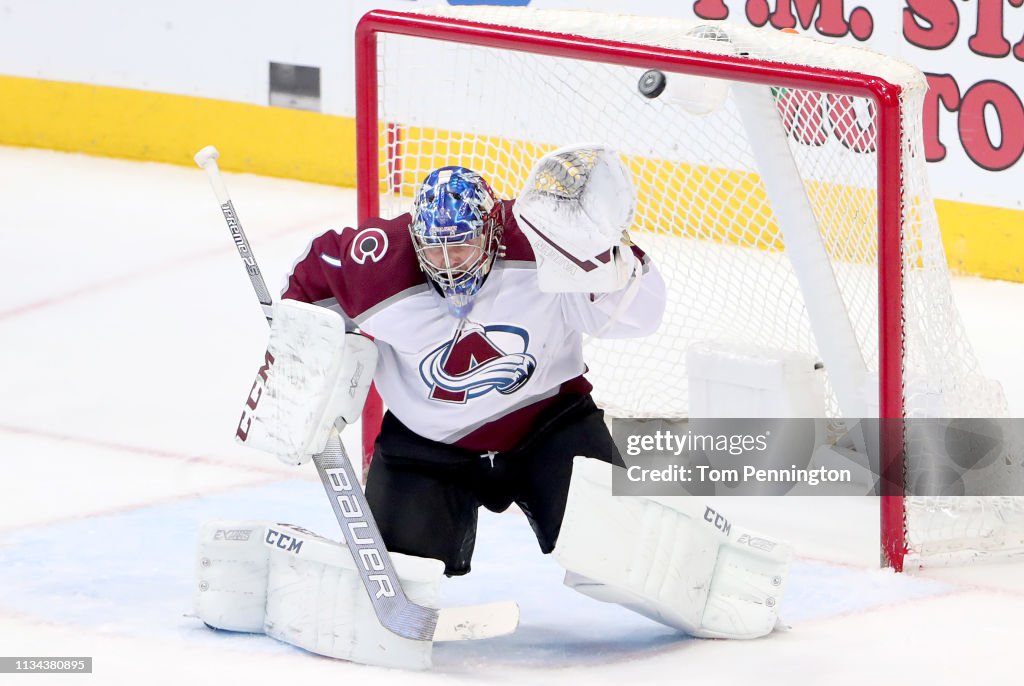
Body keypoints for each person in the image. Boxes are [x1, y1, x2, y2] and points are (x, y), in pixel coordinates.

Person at [195, 144, 791, 668]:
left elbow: (638, 319)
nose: (449, 263)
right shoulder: (377, 262)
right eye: (435, 249)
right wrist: (305, 352)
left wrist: (613, 262)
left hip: (549, 424)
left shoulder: (542, 241)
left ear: (493, 230)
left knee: (615, 554)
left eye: (463, 246)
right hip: (429, 447)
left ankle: (717, 575)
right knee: (403, 577)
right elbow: (312, 274)